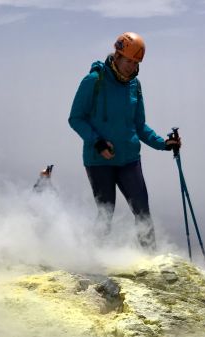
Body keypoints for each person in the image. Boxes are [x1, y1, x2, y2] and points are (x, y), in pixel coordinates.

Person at [68, 32, 180, 251]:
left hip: (129, 159)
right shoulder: (94, 81)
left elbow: (139, 126)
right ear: (117, 55)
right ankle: (93, 259)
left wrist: (163, 144)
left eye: (136, 62)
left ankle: (151, 261)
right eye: (128, 60)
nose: (131, 66)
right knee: (106, 213)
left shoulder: (134, 86)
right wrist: (97, 142)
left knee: (142, 212)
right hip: (99, 161)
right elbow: (76, 118)